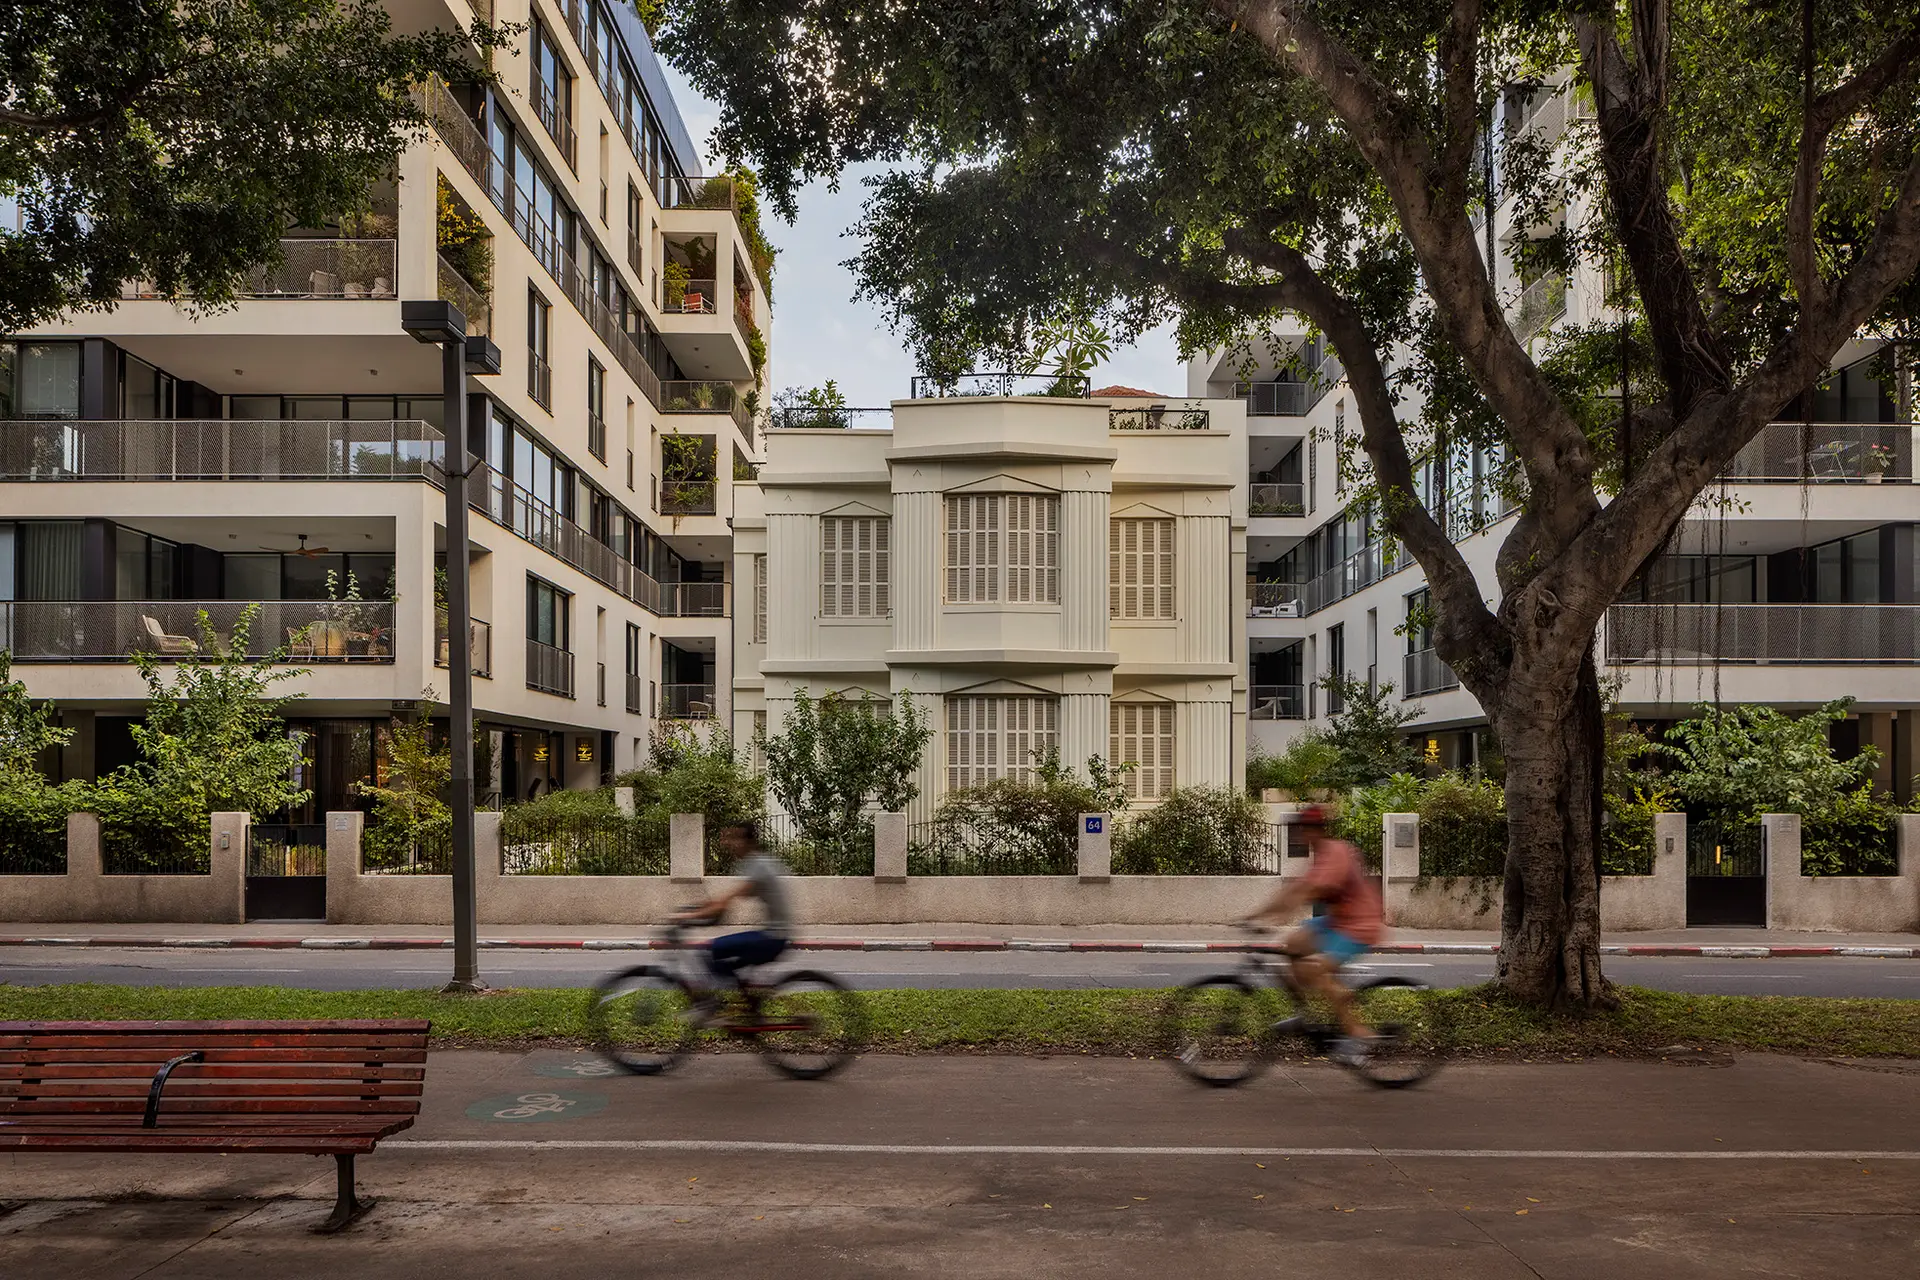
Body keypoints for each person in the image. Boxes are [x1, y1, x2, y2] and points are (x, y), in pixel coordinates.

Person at [1242, 803, 1385, 1066]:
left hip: (1360, 925)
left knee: (1316, 970)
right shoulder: (1319, 855)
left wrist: (1278, 915)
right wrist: (1256, 915)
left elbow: (1311, 890)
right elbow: (1294, 890)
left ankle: (1356, 1039)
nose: (1300, 835)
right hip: (1337, 921)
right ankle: (1302, 1014)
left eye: (1304, 829)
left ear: (1316, 831)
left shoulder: (1336, 852)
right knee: (1292, 944)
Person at [672, 820, 793, 1022]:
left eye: (734, 838)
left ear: (749, 841)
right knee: (721, 960)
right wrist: (695, 909)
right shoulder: (755, 863)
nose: (728, 843)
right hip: (775, 935)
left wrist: (684, 917)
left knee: (709, 951)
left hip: (773, 938)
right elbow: (723, 902)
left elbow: (722, 905)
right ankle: (748, 1007)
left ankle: (719, 1007)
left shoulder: (758, 866)